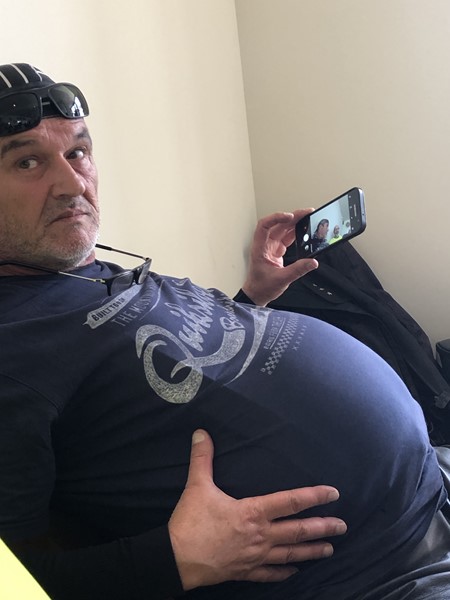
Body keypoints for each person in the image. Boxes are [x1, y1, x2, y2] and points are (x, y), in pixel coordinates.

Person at [0, 63, 448, 600]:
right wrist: (173, 559)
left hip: (431, 486)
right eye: (27, 162)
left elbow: (172, 381)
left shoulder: (82, 269)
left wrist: (252, 297)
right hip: (374, 577)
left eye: (77, 152)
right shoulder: (13, 344)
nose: (73, 184)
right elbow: (11, 583)